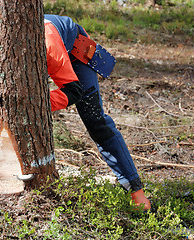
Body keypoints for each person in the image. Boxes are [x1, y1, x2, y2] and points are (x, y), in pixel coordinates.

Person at [44, 14, 151, 210]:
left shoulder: (50, 48)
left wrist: (40, 103)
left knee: (96, 121)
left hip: (74, 50)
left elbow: (74, 90)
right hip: (53, 45)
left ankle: (136, 192)